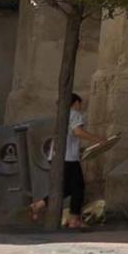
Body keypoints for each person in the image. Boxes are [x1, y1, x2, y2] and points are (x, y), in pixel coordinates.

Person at [27, 93, 115, 228]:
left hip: (56, 157)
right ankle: (75, 219)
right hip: (68, 158)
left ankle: (38, 205)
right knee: (79, 187)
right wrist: (99, 139)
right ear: (75, 103)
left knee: (67, 188)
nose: (81, 107)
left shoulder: (62, 116)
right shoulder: (74, 114)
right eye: (80, 104)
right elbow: (77, 132)